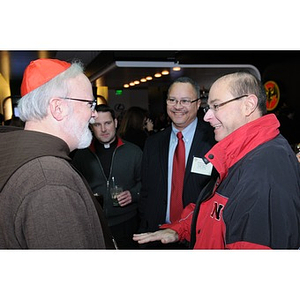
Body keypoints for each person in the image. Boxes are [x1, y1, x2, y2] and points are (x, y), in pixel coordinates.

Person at [133, 71, 300, 249]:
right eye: (209, 108)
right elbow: (216, 212)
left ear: (248, 105)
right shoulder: (241, 155)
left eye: (216, 106)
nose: (207, 117)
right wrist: (179, 229)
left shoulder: (265, 169)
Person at [0, 58, 115, 249]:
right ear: (58, 108)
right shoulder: (49, 178)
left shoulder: (31, 161)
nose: (94, 114)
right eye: (89, 104)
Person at [138, 76, 216, 248]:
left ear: (197, 104)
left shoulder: (214, 142)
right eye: (172, 100)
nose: (178, 106)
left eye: (185, 101)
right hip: (157, 236)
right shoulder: (153, 143)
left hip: (197, 235)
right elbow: (146, 190)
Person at [72, 104, 143, 249]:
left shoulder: (134, 152)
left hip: (127, 223)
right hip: (94, 223)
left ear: (116, 123)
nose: (103, 129)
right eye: (97, 124)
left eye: (108, 123)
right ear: (91, 127)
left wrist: (133, 194)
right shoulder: (81, 155)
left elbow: (147, 184)